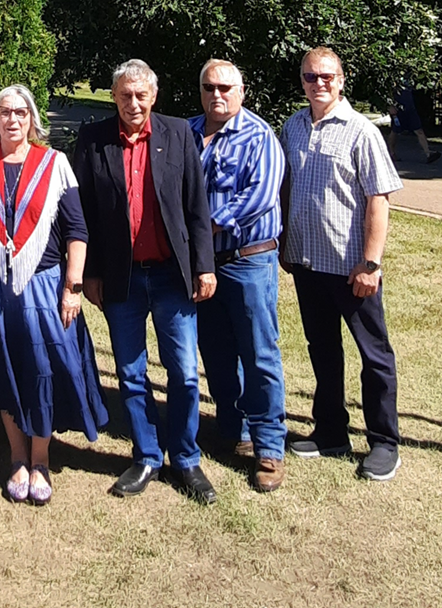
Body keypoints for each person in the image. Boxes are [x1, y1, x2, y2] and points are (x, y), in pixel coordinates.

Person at [73, 59, 218, 504]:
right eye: (124, 95)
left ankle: (187, 459)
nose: (132, 104)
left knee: (184, 374)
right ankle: (146, 455)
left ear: (153, 96)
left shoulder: (178, 134)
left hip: (172, 276)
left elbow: (196, 206)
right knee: (132, 373)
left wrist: (204, 265)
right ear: (113, 96)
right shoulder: (94, 140)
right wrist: (90, 272)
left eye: (140, 95)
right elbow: (83, 215)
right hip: (123, 278)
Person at [0, 85, 108, 505]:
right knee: (4, 368)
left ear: (32, 120)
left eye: (21, 113)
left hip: (44, 283)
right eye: (4, 112)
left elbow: (77, 232)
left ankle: (41, 459)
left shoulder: (55, 164)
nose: (12, 120)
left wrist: (73, 286)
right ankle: (16, 457)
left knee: (44, 369)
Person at [280, 47, 403, 481]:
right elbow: (286, 186)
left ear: (342, 79)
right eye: (311, 77)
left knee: (374, 355)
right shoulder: (292, 126)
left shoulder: (360, 131)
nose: (319, 84)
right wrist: (284, 245)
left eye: (327, 76)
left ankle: (384, 442)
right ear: (302, 81)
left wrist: (371, 263)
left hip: (352, 268)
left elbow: (378, 200)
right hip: (307, 263)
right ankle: (331, 430)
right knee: (323, 351)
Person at [188, 59, 287, 492]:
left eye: (226, 87)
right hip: (204, 266)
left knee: (259, 353)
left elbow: (260, 196)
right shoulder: (186, 133)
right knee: (215, 349)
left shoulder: (260, 136)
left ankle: (269, 447)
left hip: (248, 261)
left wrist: (197, 225)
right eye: (210, 87)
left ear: (242, 91)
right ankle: (233, 428)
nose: (217, 95)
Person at [386, 86, 441, 164]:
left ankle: (428, 154)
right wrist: (390, 106)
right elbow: (387, 92)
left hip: (410, 109)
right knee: (395, 131)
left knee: (419, 130)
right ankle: (391, 153)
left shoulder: (410, 77)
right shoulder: (394, 78)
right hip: (398, 110)